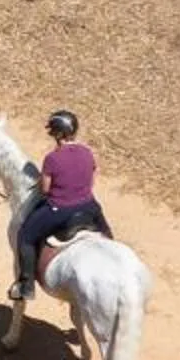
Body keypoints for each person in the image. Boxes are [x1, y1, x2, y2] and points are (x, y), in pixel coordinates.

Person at [13, 109, 114, 301]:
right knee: (107, 233)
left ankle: (26, 285)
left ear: (58, 134)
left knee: (25, 235)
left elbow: (45, 189)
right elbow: (92, 180)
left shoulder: (52, 158)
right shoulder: (87, 152)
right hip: (89, 205)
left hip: (60, 210)